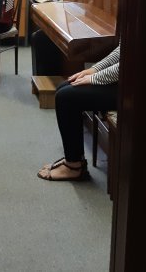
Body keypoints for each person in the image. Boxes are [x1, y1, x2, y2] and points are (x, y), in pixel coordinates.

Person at [37, 42, 120, 181]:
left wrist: (94, 78)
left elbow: (131, 64)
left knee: (66, 98)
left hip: (135, 88)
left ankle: (73, 166)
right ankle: (75, 159)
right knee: (64, 87)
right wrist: (94, 70)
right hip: (125, 80)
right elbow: (123, 50)